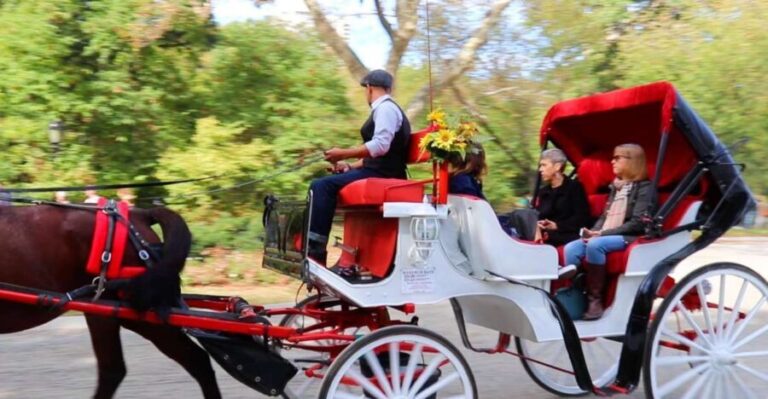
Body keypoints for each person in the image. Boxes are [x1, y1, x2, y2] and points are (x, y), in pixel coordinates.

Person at [307, 70, 411, 265]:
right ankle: (316, 248)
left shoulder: (386, 109)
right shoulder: (385, 109)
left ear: (369, 88)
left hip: (385, 174)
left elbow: (380, 146)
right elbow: (377, 155)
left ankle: (315, 252)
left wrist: (343, 153)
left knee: (321, 186)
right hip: (379, 169)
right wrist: (349, 166)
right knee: (324, 184)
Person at [563, 143, 656, 320]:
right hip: (610, 233)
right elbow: (605, 217)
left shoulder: (645, 189)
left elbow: (637, 223)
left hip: (632, 236)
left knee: (596, 246)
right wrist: (593, 231)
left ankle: (594, 299)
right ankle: (575, 293)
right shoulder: (617, 187)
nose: (612, 161)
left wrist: (602, 235)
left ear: (633, 161)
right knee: (572, 248)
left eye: (617, 158)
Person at [535, 148, 591, 247]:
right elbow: (539, 215)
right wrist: (539, 225)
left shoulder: (575, 187)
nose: (540, 169)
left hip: (568, 234)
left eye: (544, 165)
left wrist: (557, 226)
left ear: (557, 166)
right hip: (545, 234)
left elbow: (582, 218)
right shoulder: (543, 191)